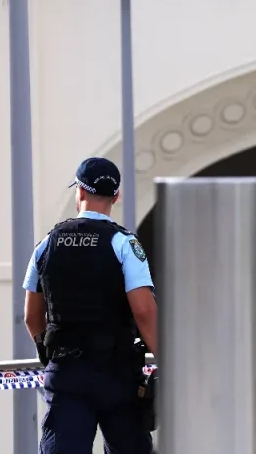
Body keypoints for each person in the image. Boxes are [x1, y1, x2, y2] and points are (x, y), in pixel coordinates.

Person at [22, 157, 158, 454]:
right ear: (116, 197)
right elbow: (144, 312)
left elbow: (32, 315)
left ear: (79, 192)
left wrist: (48, 353)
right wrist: (166, 360)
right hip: (118, 373)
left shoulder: (48, 243)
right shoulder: (124, 244)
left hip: (67, 371)